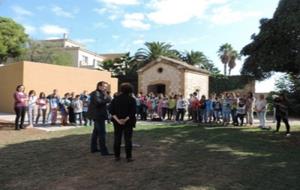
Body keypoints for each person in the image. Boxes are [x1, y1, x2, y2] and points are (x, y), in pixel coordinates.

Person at [110, 83, 137, 162]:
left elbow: (111, 111)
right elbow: (133, 112)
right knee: (128, 139)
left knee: (117, 138)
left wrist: (118, 120)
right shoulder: (132, 99)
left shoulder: (115, 99)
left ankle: (117, 156)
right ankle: (129, 157)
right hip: (128, 122)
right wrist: (125, 120)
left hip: (117, 122)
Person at [88, 81, 112, 156]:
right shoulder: (95, 93)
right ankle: (104, 151)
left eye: (106, 86)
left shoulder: (103, 93)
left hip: (100, 115)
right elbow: (98, 102)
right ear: (99, 86)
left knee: (96, 132)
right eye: (104, 86)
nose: (105, 88)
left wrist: (106, 94)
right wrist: (106, 99)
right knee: (102, 133)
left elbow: (110, 99)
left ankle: (93, 148)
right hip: (98, 116)